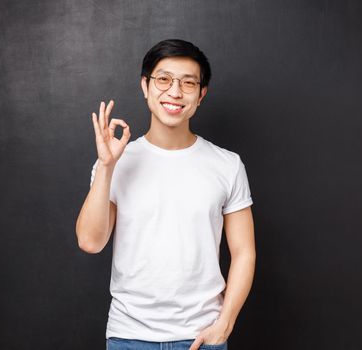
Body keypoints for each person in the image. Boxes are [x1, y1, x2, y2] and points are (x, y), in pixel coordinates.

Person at [75, 39, 255, 350]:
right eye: (163, 79)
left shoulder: (227, 164)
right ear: (145, 86)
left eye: (188, 83)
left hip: (201, 338)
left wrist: (224, 325)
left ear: (201, 95)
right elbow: (91, 242)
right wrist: (106, 166)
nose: (175, 92)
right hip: (129, 336)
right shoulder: (118, 161)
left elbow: (244, 253)